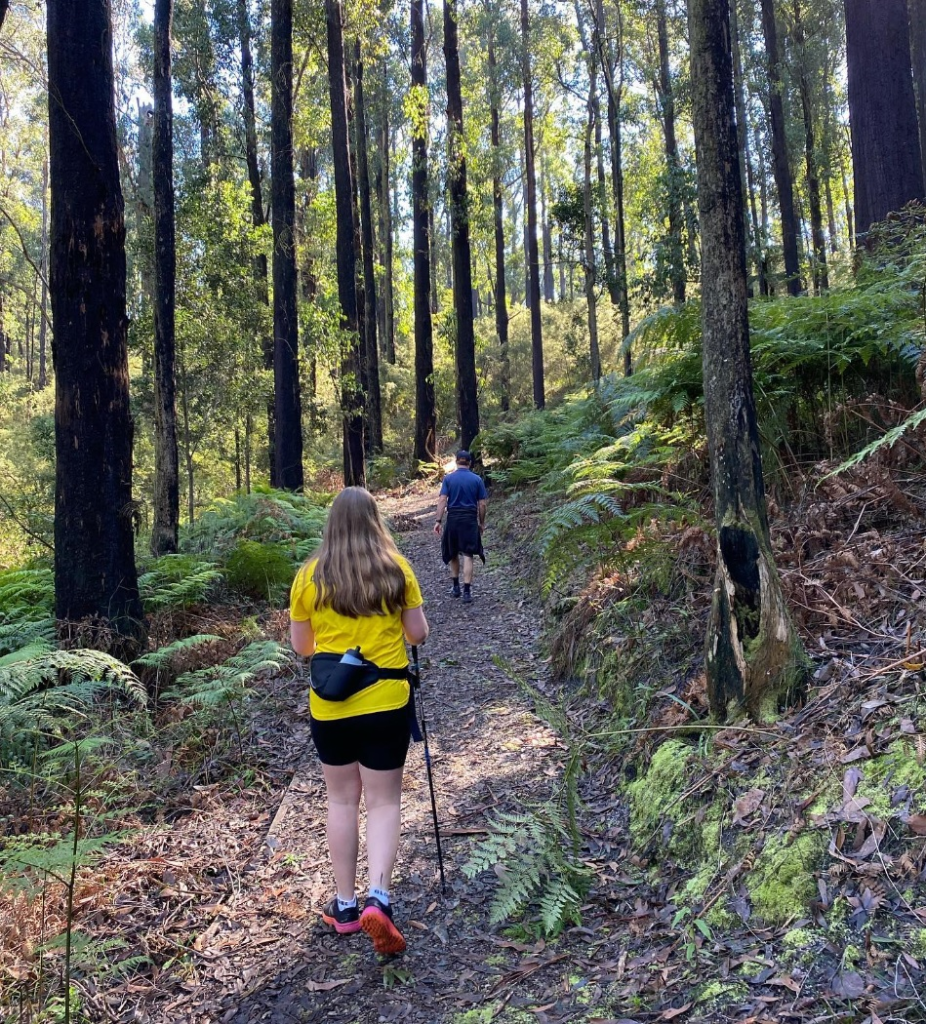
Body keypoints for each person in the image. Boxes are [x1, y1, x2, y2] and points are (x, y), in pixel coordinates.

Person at [289, 487, 429, 956]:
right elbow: (418, 634)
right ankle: (380, 900)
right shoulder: (396, 569)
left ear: (331, 524)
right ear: (375, 520)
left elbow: (302, 647)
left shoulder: (309, 577)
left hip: (331, 708)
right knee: (385, 802)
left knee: (342, 800)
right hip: (387, 701)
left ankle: (345, 906)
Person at [433, 449, 488, 604]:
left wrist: (438, 520)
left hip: (453, 519)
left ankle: (456, 587)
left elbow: (442, 500)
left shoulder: (449, 479)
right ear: (469, 463)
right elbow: (482, 504)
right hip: (469, 519)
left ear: (456, 461)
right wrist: (481, 522)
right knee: (468, 554)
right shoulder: (477, 480)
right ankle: (467, 592)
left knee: (453, 552)